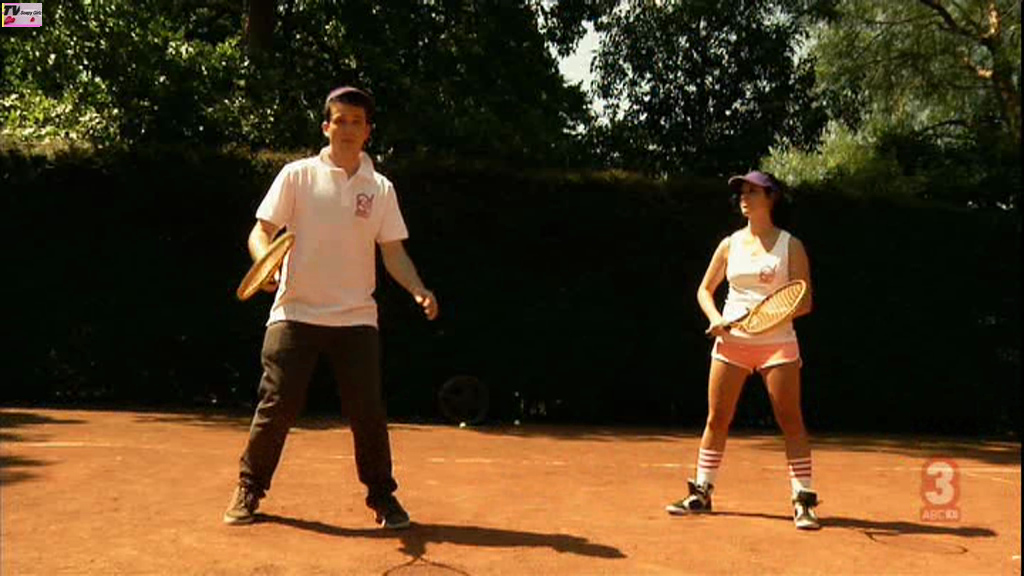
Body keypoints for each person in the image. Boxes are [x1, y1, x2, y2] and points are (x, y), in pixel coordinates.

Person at [223, 86, 438, 529]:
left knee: (367, 411)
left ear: (368, 131)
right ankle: (249, 487)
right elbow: (261, 231)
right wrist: (266, 264)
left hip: (356, 318)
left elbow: (393, 252)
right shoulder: (296, 176)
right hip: (294, 313)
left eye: (356, 122)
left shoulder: (381, 189)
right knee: (277, 405)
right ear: (326, 127)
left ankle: (382, 497)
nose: (347, 129)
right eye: (340, 120)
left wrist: (418, 288)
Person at [665, 170, 820, 530]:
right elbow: (704, 290)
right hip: (731, 343)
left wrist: (766, 319)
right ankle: (701, 492)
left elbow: (804, 300)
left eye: (752, 192)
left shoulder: (790, 245)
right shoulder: (729, 244)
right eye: (741, 193)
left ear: (771, 198)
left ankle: (803, 501)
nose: (744, 198)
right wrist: (716, 318)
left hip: (777, 345)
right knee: (717, 418)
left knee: (790, 420)